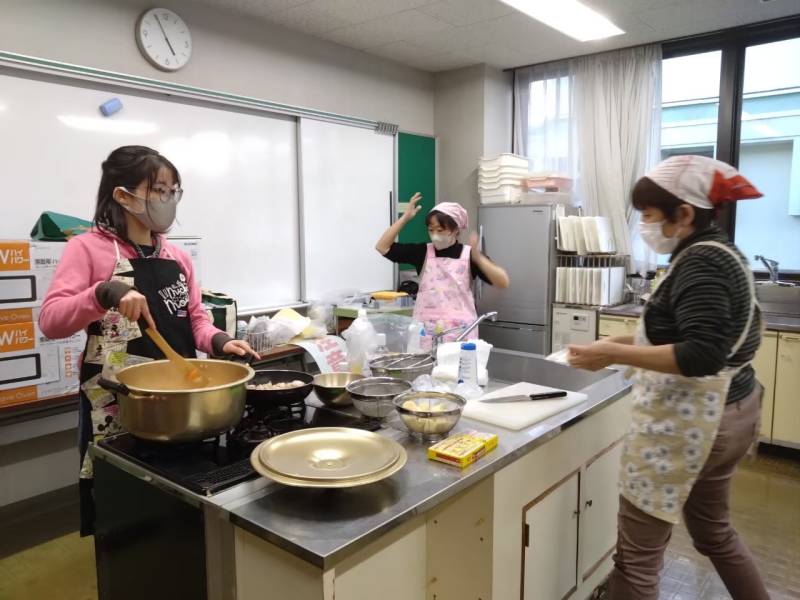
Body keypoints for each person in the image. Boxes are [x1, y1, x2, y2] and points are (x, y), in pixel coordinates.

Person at [567, 155, 768, 600]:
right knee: (715, 534)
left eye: (649, 216)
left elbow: (701, 354)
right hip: (731, 412)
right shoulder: (717, 252)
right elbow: (672, 331)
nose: (644, 225)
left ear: (685, 214)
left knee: (637, 560)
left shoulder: (702, 263)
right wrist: (619, 343)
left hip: (693, 423)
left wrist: (611, 353)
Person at [38, 145, 257, 536]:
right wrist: (104, 293)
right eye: (159, 190)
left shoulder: (176, 257)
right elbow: (51, 321)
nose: (168, 200)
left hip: (182, 401)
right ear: (123, 196)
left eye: (174, 191)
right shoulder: (86, 249)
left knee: (181, 509)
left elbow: (195, 320)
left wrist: (221, 341)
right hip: (119, 402)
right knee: (125, 513)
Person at [375, 193, 509, 349]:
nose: (434, 235)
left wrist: (479, 258)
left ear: (455, 230)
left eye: (440, 230)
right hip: (426, 333)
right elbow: (382, 247)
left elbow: (503, 281)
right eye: (431, 230)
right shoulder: (423, 252)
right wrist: (405, 217)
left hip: (461, 334)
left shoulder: (469, 255)